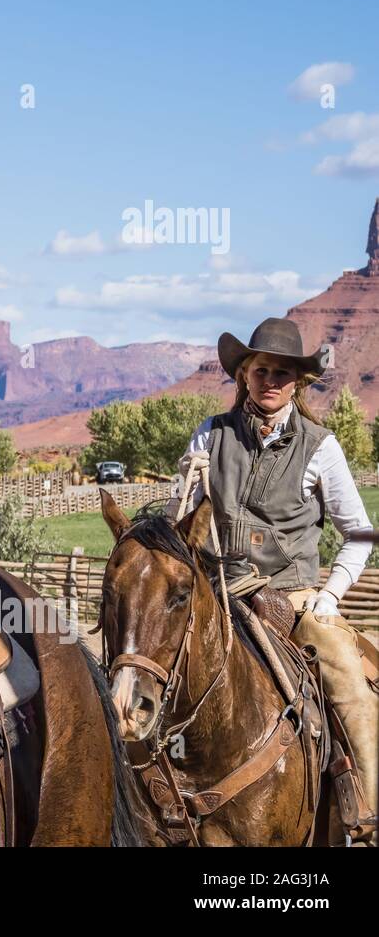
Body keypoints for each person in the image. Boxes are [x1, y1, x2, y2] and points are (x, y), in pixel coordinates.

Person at [170, 317, 377, 843]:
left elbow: (359, 534)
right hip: (218, 594)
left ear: (298, 383)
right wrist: (184, 486)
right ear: (243, 374)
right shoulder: (209, 435)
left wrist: (329, 597)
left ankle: (367, 815)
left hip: (296, 596)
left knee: (348, 680)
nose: (271, 381)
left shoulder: (320, 447)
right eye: (261, 369)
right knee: (144, 661)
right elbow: (181, 530)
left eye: (283, 373)